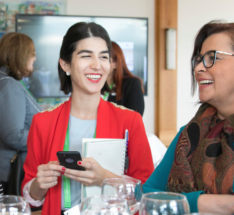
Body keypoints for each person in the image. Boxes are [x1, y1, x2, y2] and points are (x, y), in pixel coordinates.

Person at [143, 20, 234, 215]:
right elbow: (144, 196)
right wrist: (207, 203)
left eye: (212, 58)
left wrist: (177, 203)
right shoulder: (190, 133)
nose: (198, 68)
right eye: (199, 59)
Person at [21, 22, 154, 215]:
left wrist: (105, 178)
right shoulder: (43, 122)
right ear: (65, 64)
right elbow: (30, 198)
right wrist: (38, 185)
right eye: (86, 56)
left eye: (103, 57)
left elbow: (147, 193)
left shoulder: (129, 121)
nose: (97, 65)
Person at [0, 32, 41, 194]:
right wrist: (44, 137)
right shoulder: (9, 85)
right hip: (8, 171)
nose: (35, 58)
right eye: (33, 53)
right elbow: (13, 135)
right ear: (21, 55)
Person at [104, 41, 145, 116]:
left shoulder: (131, 84)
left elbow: (134, 119)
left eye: (104, 58)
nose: (98, 64)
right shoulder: (92, 84)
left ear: (116, 62)